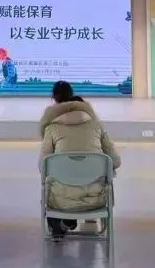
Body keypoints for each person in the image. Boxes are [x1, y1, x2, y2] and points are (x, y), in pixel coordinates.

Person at [39, 81, 121, 239]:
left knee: (52, 182)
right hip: (96, 199)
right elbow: (116, 161)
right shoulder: (97, 126)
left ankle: (61, 225)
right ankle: (69, 223)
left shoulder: (51, 129)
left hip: (60, 202)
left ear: (54, 98)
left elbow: (43, 166)